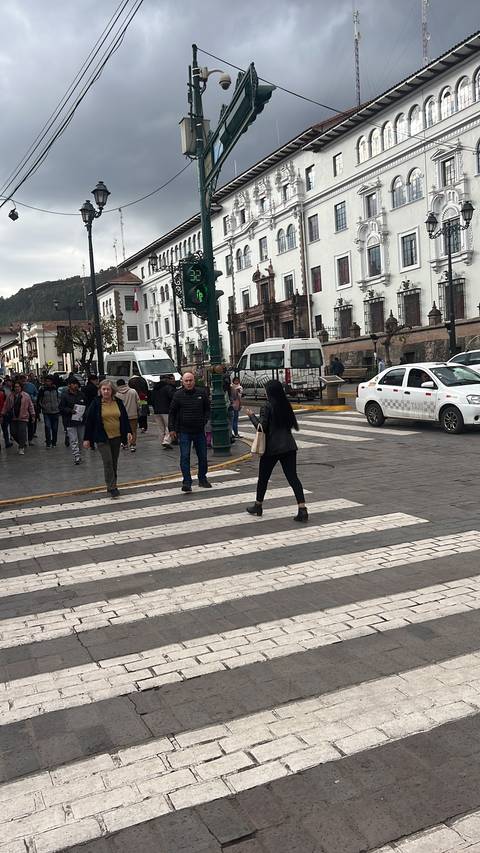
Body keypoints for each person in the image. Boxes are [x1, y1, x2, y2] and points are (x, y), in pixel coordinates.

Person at [246, 379, 308, 522]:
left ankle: (258, 505)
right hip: (289, 446)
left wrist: (251, 416)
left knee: (263, 478)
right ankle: (302, 508)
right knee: (293, 478)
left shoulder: (267, 406)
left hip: (272, 449)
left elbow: (262, 428)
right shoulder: (285, 405)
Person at [83, 380, 132, 498]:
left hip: (116, 437)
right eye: (103, 389)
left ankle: (113, 483)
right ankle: (111, 487)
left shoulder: (118, 402)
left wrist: (128, 432)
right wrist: (87, 439)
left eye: (108, 389)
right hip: (102, 437)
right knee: (108, 461)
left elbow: (124, 418)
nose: (105, 391)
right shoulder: (96, 403)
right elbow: (89, 421)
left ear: (112, 391)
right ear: (100, 390)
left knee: (114, 462)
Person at [168, 371, 211, 493]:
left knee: (202, 456)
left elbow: (207, 409)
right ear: (182, 382)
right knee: (185, 457)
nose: (188, 383)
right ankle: (187, 482)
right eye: (186, 381)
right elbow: (172, 413)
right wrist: (172, 429)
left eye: (190, 380)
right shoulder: (178, 395)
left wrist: (204, 420)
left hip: (199, 431)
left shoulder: (201, 393)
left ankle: (202, 478)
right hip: (184, 431)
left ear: (194, 381)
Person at [0, 380, 35, 455]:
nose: (17, 388)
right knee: (13, 432)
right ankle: (21, 442)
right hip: (13, 417)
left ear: (21, 387)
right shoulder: (10, 395)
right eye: (15, 387)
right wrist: (2, 414)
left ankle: (21, 447)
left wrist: (33, 415)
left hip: (23, 417)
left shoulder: (26, 395)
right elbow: (6, 405)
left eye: (18, 387)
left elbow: (30, 406)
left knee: (22, 432)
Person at [59, 376, 88, 465]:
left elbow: (86, 405)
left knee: (81, 439)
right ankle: (76, 456)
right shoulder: (65, 396)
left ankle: (80, 454)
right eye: (73, 384)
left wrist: (84, 413)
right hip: (70, 421)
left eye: (76, 384)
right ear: (69, 385)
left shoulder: (81, 395)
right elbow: (61, 408)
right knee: (73, 439)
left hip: (80, 420)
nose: (75, 386)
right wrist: (70, 411)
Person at [115, 379, 140, 451]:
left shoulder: (116, 393)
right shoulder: (133, 391)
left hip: (121, 416)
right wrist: (138, 410)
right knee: (133, 431)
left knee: (122, 430)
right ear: (125, 383)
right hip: (133, 414)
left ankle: (124, 443)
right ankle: (132, 445)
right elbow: (138, 403)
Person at [151, 375, 175, 448]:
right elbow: (173, 397)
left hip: (156, 410)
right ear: (166, 379)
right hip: (166, 410)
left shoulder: (155, 388)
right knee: (169, 426)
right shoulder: (168, 387)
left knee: (161, 428)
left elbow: (151, 399)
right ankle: (166, 441)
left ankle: (162, 440)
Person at [37, 375, 60, 448]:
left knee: (55, 428)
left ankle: (54, 442)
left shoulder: (55, 389)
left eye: (49, 381)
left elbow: (59, 398)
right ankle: (48, 442)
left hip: (55, 411)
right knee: (47, 427)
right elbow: (39, 400)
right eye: (46, 381)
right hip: (46, 412)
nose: (48, 382)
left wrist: (57, 405)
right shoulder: (42, 389)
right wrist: (43, 406)